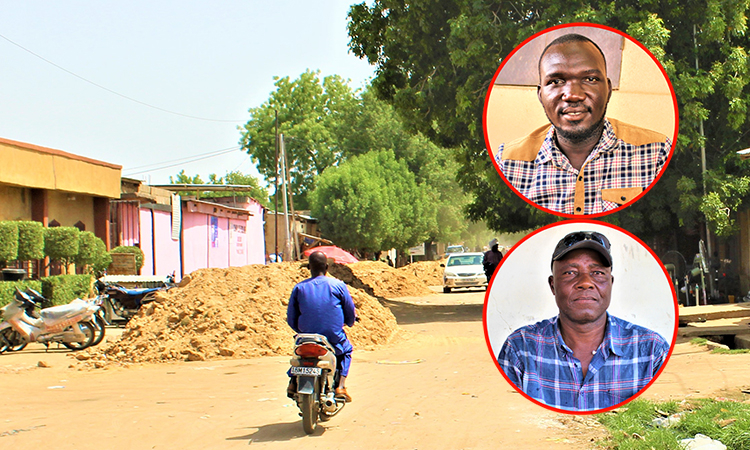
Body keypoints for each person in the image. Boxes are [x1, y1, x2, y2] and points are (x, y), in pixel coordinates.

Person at [496, 33, 672, 215]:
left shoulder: (656, 153)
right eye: (556, 81)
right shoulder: (508, 163)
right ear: (540, 95)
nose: (573, 95)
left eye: (590, 79)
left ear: (608, 90)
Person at [497, 231, 669, 411]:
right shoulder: (520, 349)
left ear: (610, 283)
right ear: (553, 285)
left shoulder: (651, 351)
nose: (586, 283)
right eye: (570, 272)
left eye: (597, 273)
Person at [287, 251, 357, 402]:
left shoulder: (299, 288)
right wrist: (350, 322)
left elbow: (291, 317)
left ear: (309, 268)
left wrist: (301, 331)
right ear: (326, 267)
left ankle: (293, 382)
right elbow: (349, 311)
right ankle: (340, 386)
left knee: (298, 353)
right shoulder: (338, 285)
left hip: (306, 336)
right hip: (332, 336)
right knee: (346, 351)